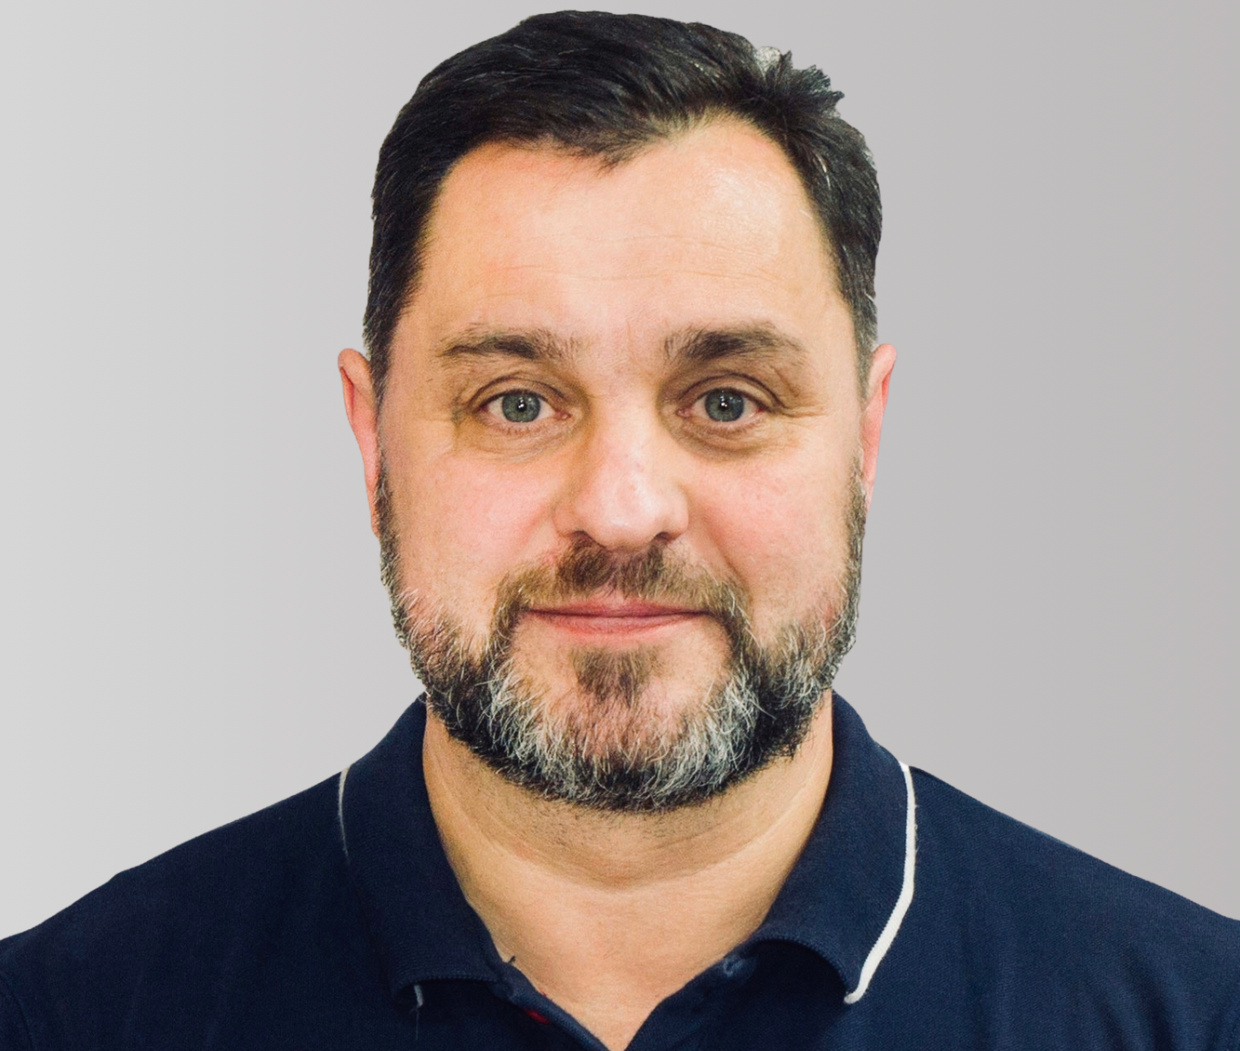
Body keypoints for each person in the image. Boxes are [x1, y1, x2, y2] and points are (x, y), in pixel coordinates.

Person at [1, 11, 1237, 1050]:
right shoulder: (67, 1014)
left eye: (727, 400)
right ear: (372, 438)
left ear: (865, 436)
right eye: (517, 402)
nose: (622, 507)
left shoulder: (1191, 1014)